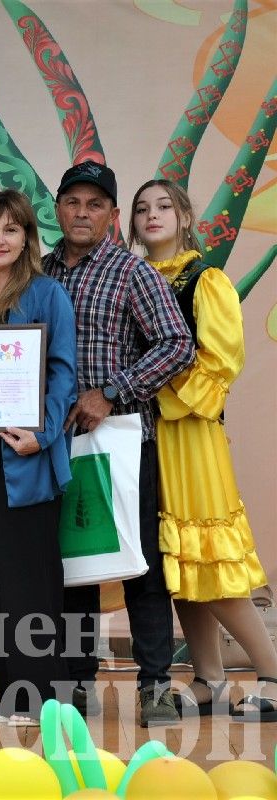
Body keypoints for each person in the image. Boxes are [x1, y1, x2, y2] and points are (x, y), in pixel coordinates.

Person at [43, 161, 193, 727]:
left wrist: (112, 391)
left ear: (111, 215)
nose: (83, 213)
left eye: (95, 204)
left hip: (124, 444)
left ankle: (155, 685)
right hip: (56, 443)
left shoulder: (133, 272)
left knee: (140, 566)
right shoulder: (40, 271)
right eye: (73, 202)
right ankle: (77, 686)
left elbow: (178, 343)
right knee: (73, 566)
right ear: (58, 208)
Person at [130, 179, 277, 720]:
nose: (153, 216)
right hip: (147, 436)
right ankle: (209, 679)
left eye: (164, 206)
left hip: (190, 431)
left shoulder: (205, 280)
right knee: (177, 561)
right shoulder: (136, 277)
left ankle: (272, 671)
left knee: (208, 560)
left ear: (185, 216)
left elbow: (219, 362)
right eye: (143, 208)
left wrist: (156, 388)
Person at [0, 190, 76, 724]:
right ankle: (5, 689)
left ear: (28, 236)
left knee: (31, 577)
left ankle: (37, 692)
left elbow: (62, 373)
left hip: (26, 453)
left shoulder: (48, 293)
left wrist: (43, 433)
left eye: (11, 229)